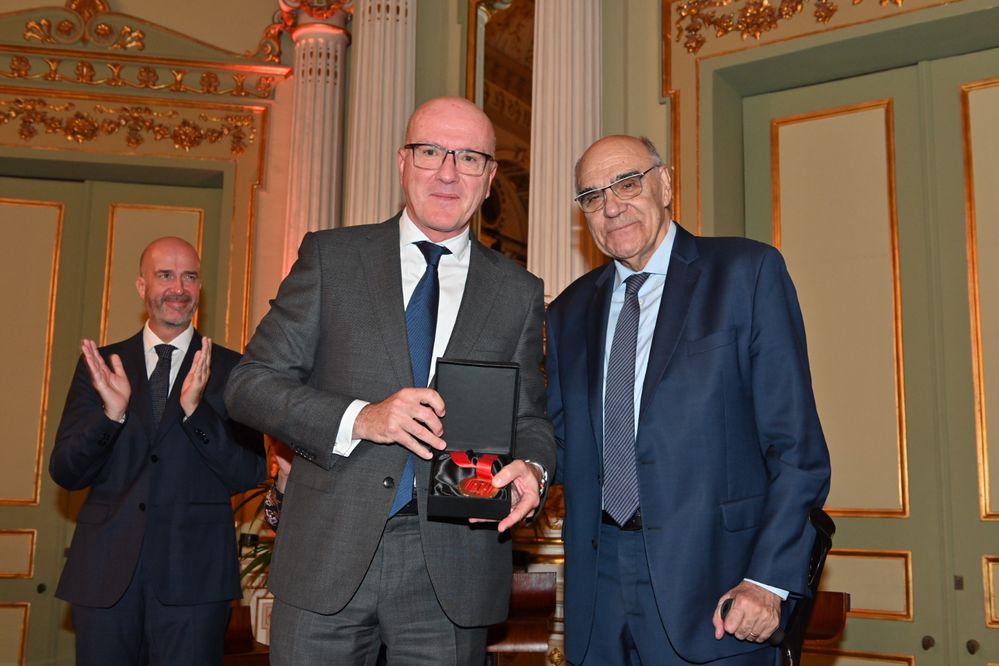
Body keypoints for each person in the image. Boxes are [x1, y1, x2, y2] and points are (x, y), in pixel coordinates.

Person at [223, 95, 556, 666]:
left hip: (451, 569)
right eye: (431, 152)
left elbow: (528, 418)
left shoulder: (518, 292)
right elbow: (248, 384)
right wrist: (362, 417)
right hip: (328, 554)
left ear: (490, 178)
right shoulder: (332, 257)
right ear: (403, 163)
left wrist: (533, 467)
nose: (448, 172)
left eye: (469, 157)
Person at [545, 135, 831, 665]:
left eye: (627, 184)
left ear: (667, 183)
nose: (611, 207)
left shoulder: (746, 273)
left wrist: (767, 580)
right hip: (597, 591)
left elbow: (796, 450)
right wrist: (510, 464)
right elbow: (562, 445)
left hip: (717, 587)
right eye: (591, 196)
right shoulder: (567, 312)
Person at [49, 236, 266, 665]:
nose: (178, 288)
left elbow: (249, 472)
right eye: (165, 275)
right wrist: (109, 416)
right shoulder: (103, 365)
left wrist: (194, 413)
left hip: (195, 582)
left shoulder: (233, 369)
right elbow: (66, 471)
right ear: (141, 286)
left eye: (189, 276)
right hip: (104, 577)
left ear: (199, 287)